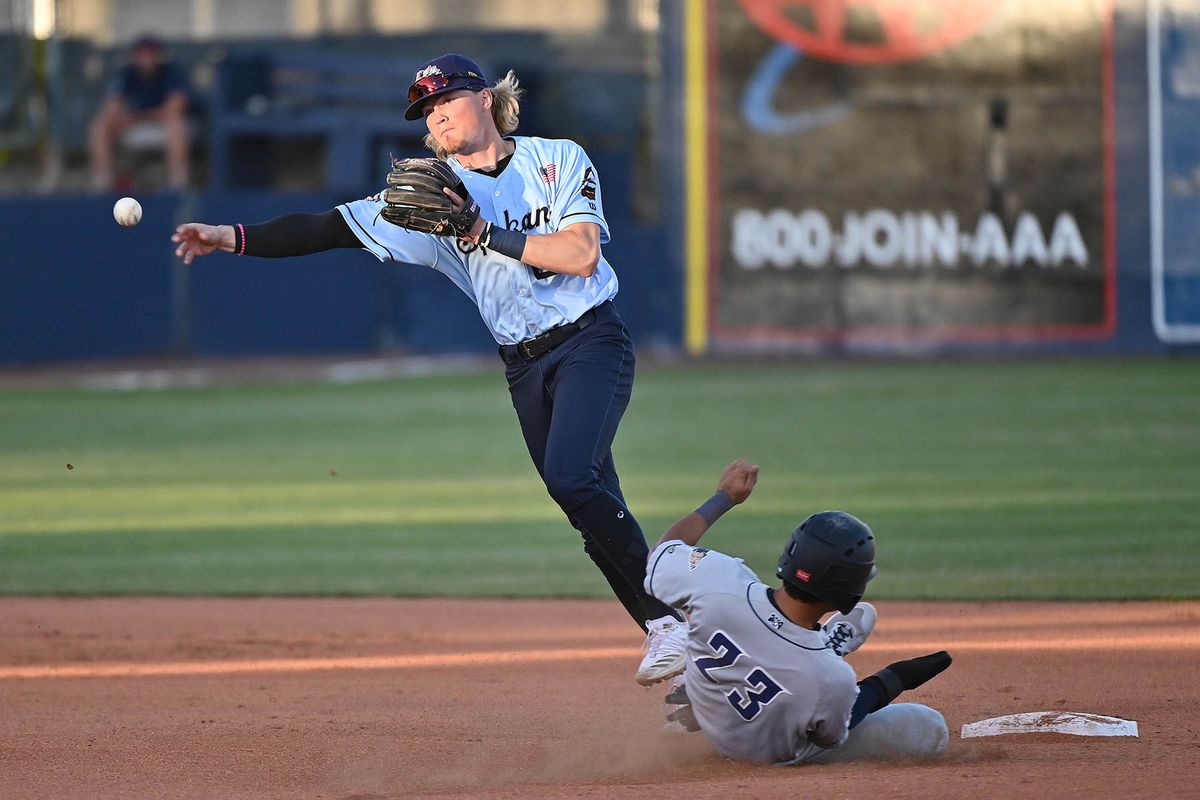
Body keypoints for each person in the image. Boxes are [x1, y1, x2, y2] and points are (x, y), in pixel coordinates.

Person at [171, 53, 688, 685]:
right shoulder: (431, 196)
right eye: (427, 112)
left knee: (572, 478)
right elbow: (327, 227)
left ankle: (668, 624)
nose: (437, 117)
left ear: (487, 100)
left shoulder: (557, 159)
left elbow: (580, 255)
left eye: (447, 100)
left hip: (591, 342)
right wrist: (228, 235)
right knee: (586, 504)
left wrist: (478, 229)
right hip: (524, 367)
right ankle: (697, 627)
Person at [644, 458, 953, 765]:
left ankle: (815, 649)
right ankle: (824, 648)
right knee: (927, 727)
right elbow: (830, 735)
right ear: (847, 594)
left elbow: (664, 550)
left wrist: (723, 497)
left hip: (712, 713)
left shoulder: (720, 579)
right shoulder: (832, 680)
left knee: (805, 674)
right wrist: (889, 681)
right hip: (776, 755)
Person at [89, 35, 190, 191]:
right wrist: (123, 117)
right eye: (142, 54)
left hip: (161, 125)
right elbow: (112, 105)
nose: (146, 58)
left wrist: (139, 117)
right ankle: (103, 182)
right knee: (100, 125)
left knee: (176, 124)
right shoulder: (127, 73)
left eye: (150, 54)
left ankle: (177, 183)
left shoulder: (171, 72)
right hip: (134, 124)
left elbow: (175, 107)